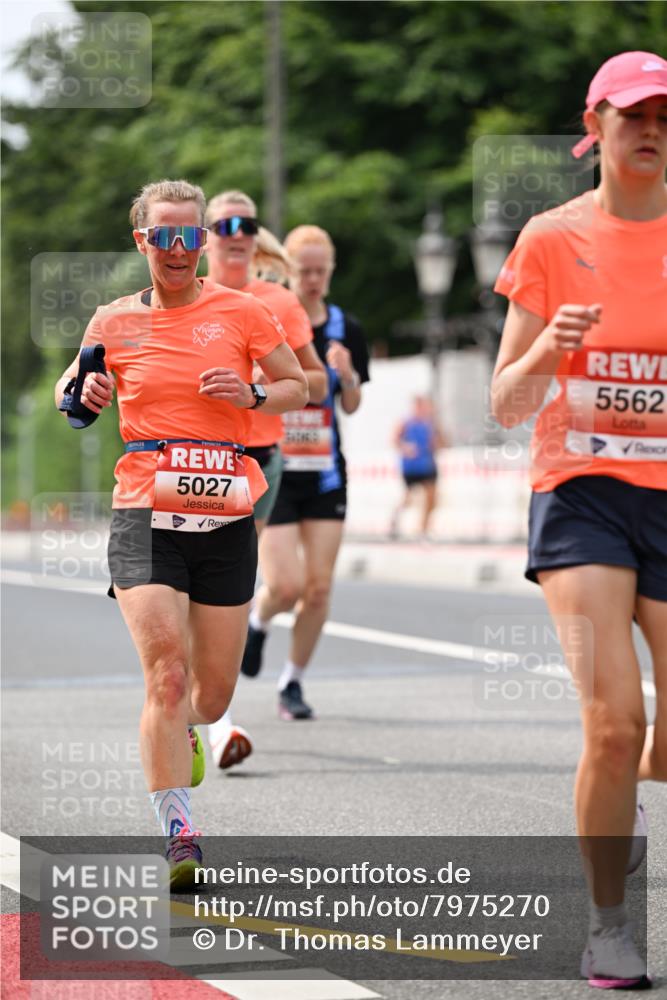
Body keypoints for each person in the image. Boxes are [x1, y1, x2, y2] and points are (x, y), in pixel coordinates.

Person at [54, 179, 307, 890]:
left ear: (202, 241)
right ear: (142, 241)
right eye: (163, 236)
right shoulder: (113, 321)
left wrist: (253, 394)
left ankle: (190, 729)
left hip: (225, 509)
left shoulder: (245, 310)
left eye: (188, 236)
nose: (177, 249)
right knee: (166, 672)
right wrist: (85, 395)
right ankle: (180, 833)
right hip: (144, 507)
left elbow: (298, 386)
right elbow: (71, 395)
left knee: (212, 694)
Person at [492, 51, 667, 988]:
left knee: (659, 737)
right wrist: (550, 356)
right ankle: (607, 926)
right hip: (581, 493)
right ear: (594, 126)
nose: (650, 132)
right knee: (612, 723)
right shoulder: (552, 239)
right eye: (633, 114)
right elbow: (505, 402)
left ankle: (620, 807)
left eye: (665, 119)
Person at [203, 190, 327, 769]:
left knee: (229, 586)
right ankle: (206, 716)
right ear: (204, 236)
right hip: (192, 458)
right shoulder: (180, 297)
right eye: (223, 222)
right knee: (194, 587)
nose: (236, 231)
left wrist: (265, 378)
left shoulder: (277, 299)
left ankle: (212, 715)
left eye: (246, 223)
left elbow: (314, 381)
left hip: (257, 460)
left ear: (256, 236)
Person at [240, 224, 370, 720]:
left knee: (318, 588)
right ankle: (259, 617)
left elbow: (352, 405)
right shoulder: (267, 317)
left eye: (321, 271)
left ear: (330, 271)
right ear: (289, 271)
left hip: (324, 474)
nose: (313, 280)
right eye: (305, 271)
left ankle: (292, 682)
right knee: (287, 585)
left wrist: (348, 375)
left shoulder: (345, 328)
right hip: (275, 467)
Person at [390, 395, 445, 539]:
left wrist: (436, 443)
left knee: (432, 498)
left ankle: (423, 529)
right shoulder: (406, 422)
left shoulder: (431, 423)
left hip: (428, 464)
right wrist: (405, 447)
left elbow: (441, 442)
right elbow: (394, 439)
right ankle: (395, 520)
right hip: (412, 466)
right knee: (409, 498)